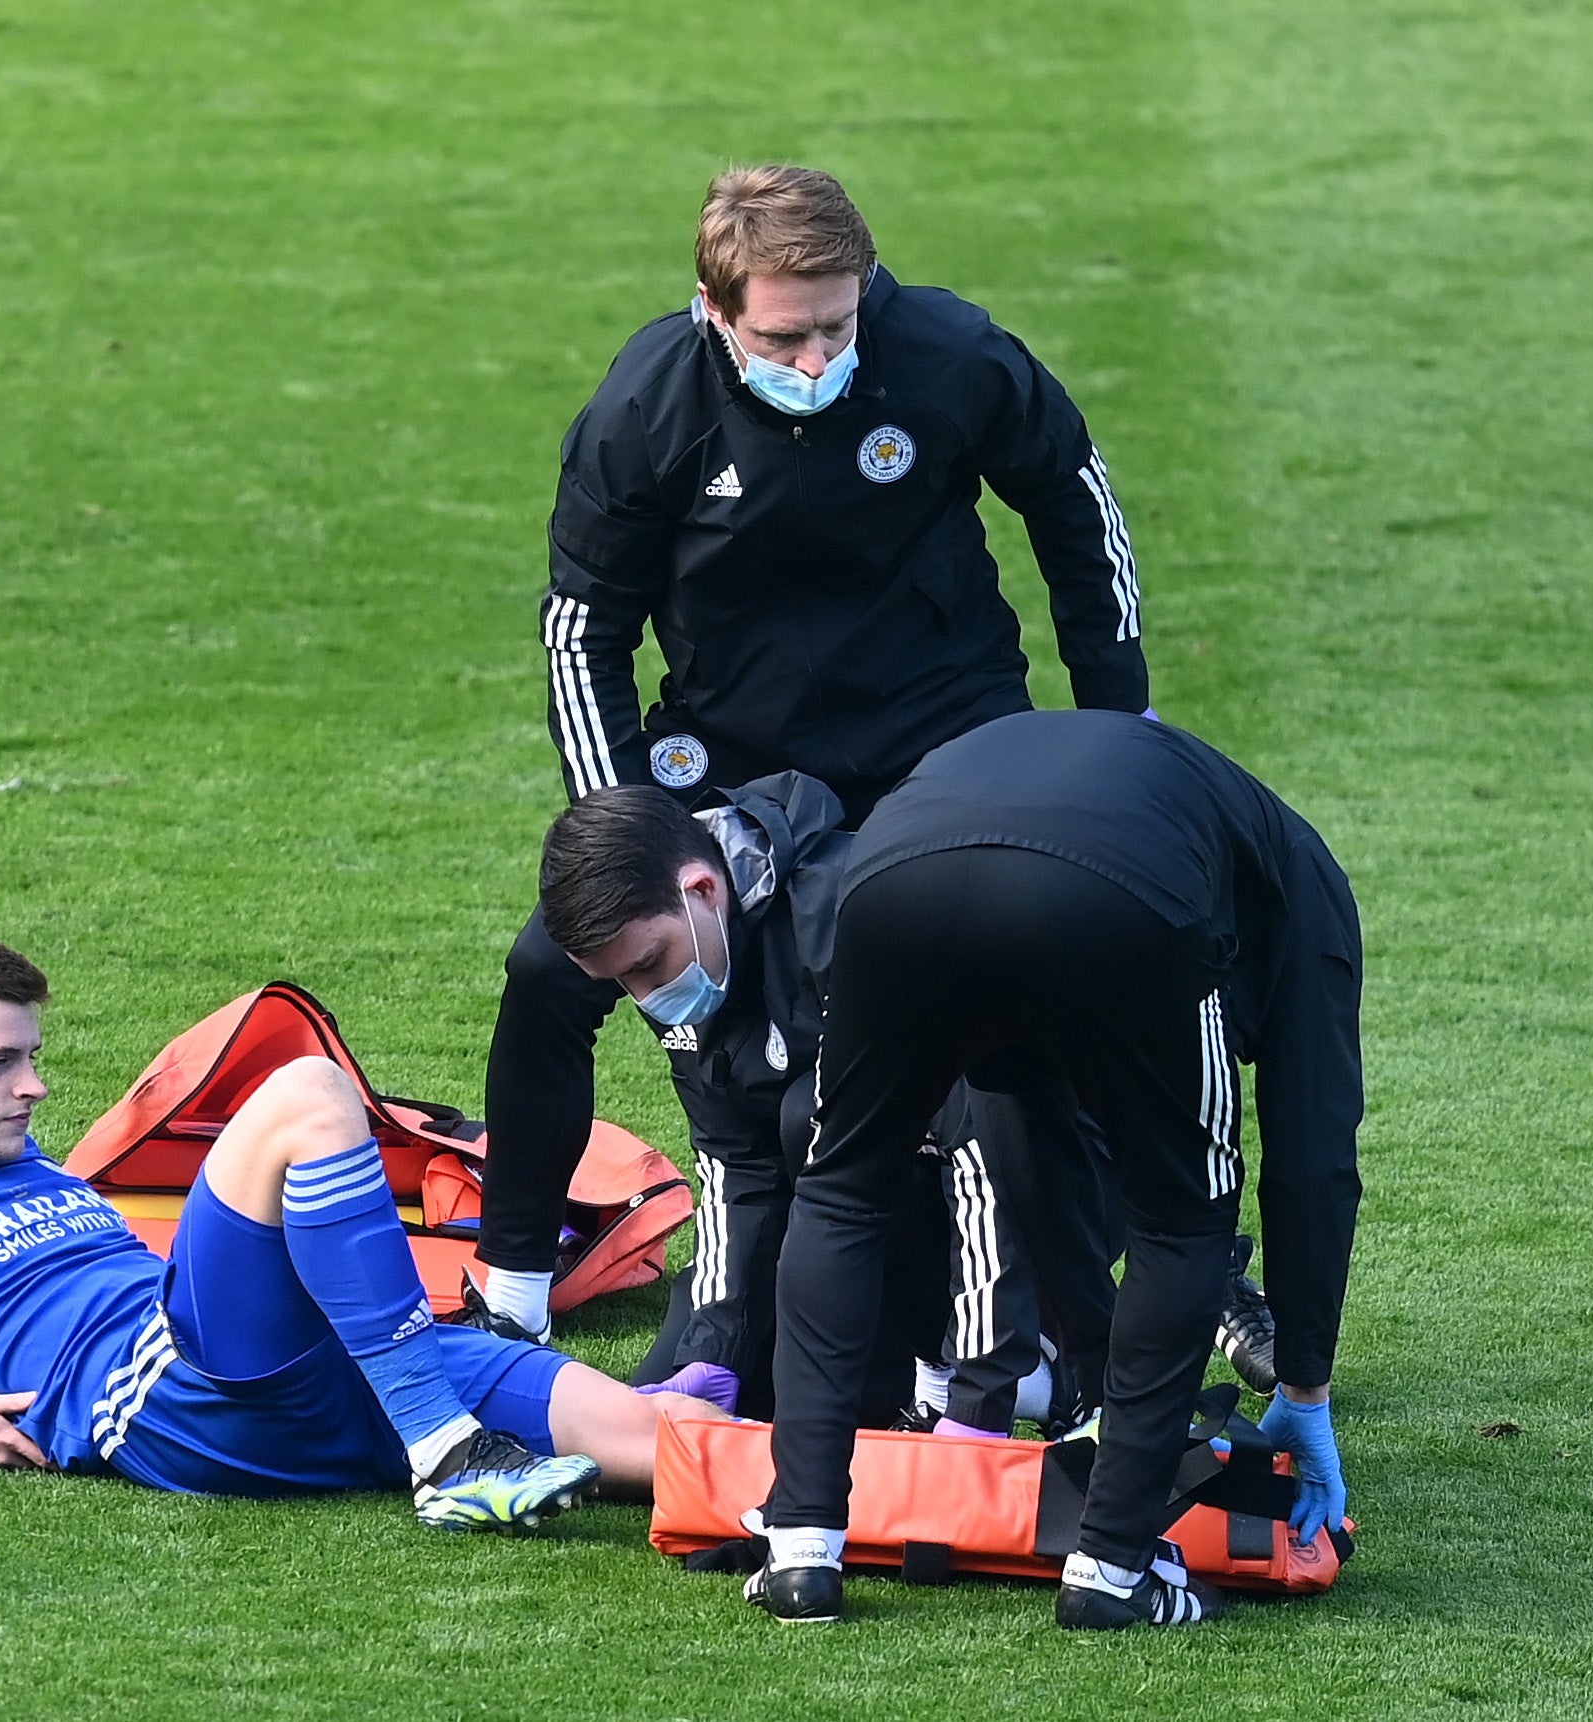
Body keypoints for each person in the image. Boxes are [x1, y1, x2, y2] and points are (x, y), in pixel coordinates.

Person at [470, 163, 1288, 1386]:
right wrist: (630, 827)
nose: (815, 358)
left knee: (1063, 978)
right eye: (783, 334)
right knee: (553, 964)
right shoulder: (646, 410)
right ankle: (516, 1289)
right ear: (714, 310)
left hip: (948, 744)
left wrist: (1123, 731)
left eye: (838, 325)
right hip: (737, 767)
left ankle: (1204, 1267)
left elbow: (1076, 502)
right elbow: (581, 633)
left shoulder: (949, 352)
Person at [0, 925, 724, 1528]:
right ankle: (448, 1450)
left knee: (676, 1433)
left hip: (342, 1369)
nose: (35, 1084)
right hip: (189, 1391)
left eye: (33, 1055)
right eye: (0, 1061)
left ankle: (863, 1493)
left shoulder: (29, 1165)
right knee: (306, 1091)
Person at [748, 710, 1363, 1629]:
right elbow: (1313, 1155)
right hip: (1113, 893)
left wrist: (1099, 1360)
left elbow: (1016, 1098)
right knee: (1185, 1219)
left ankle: (800, 1548)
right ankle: (1114, 1569)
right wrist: (1306, 1383)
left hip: (892, 878)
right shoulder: (1304, 880)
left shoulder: (1169, 811)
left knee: (839, 1188)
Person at [533, 775, 1099, 1438]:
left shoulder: (859, 920)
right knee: (672, 1411)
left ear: (702, 891)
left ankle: (1037, 1351)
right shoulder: (695, 959)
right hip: (889, 1189)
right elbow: (730, 1163)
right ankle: (947, 1366)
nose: (646, 996)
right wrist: (712, 1348)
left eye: (651, 965)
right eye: (622, 982)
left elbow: (983, 1144)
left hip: (1063, 1152)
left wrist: (975, 1388)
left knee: (818, 1117)